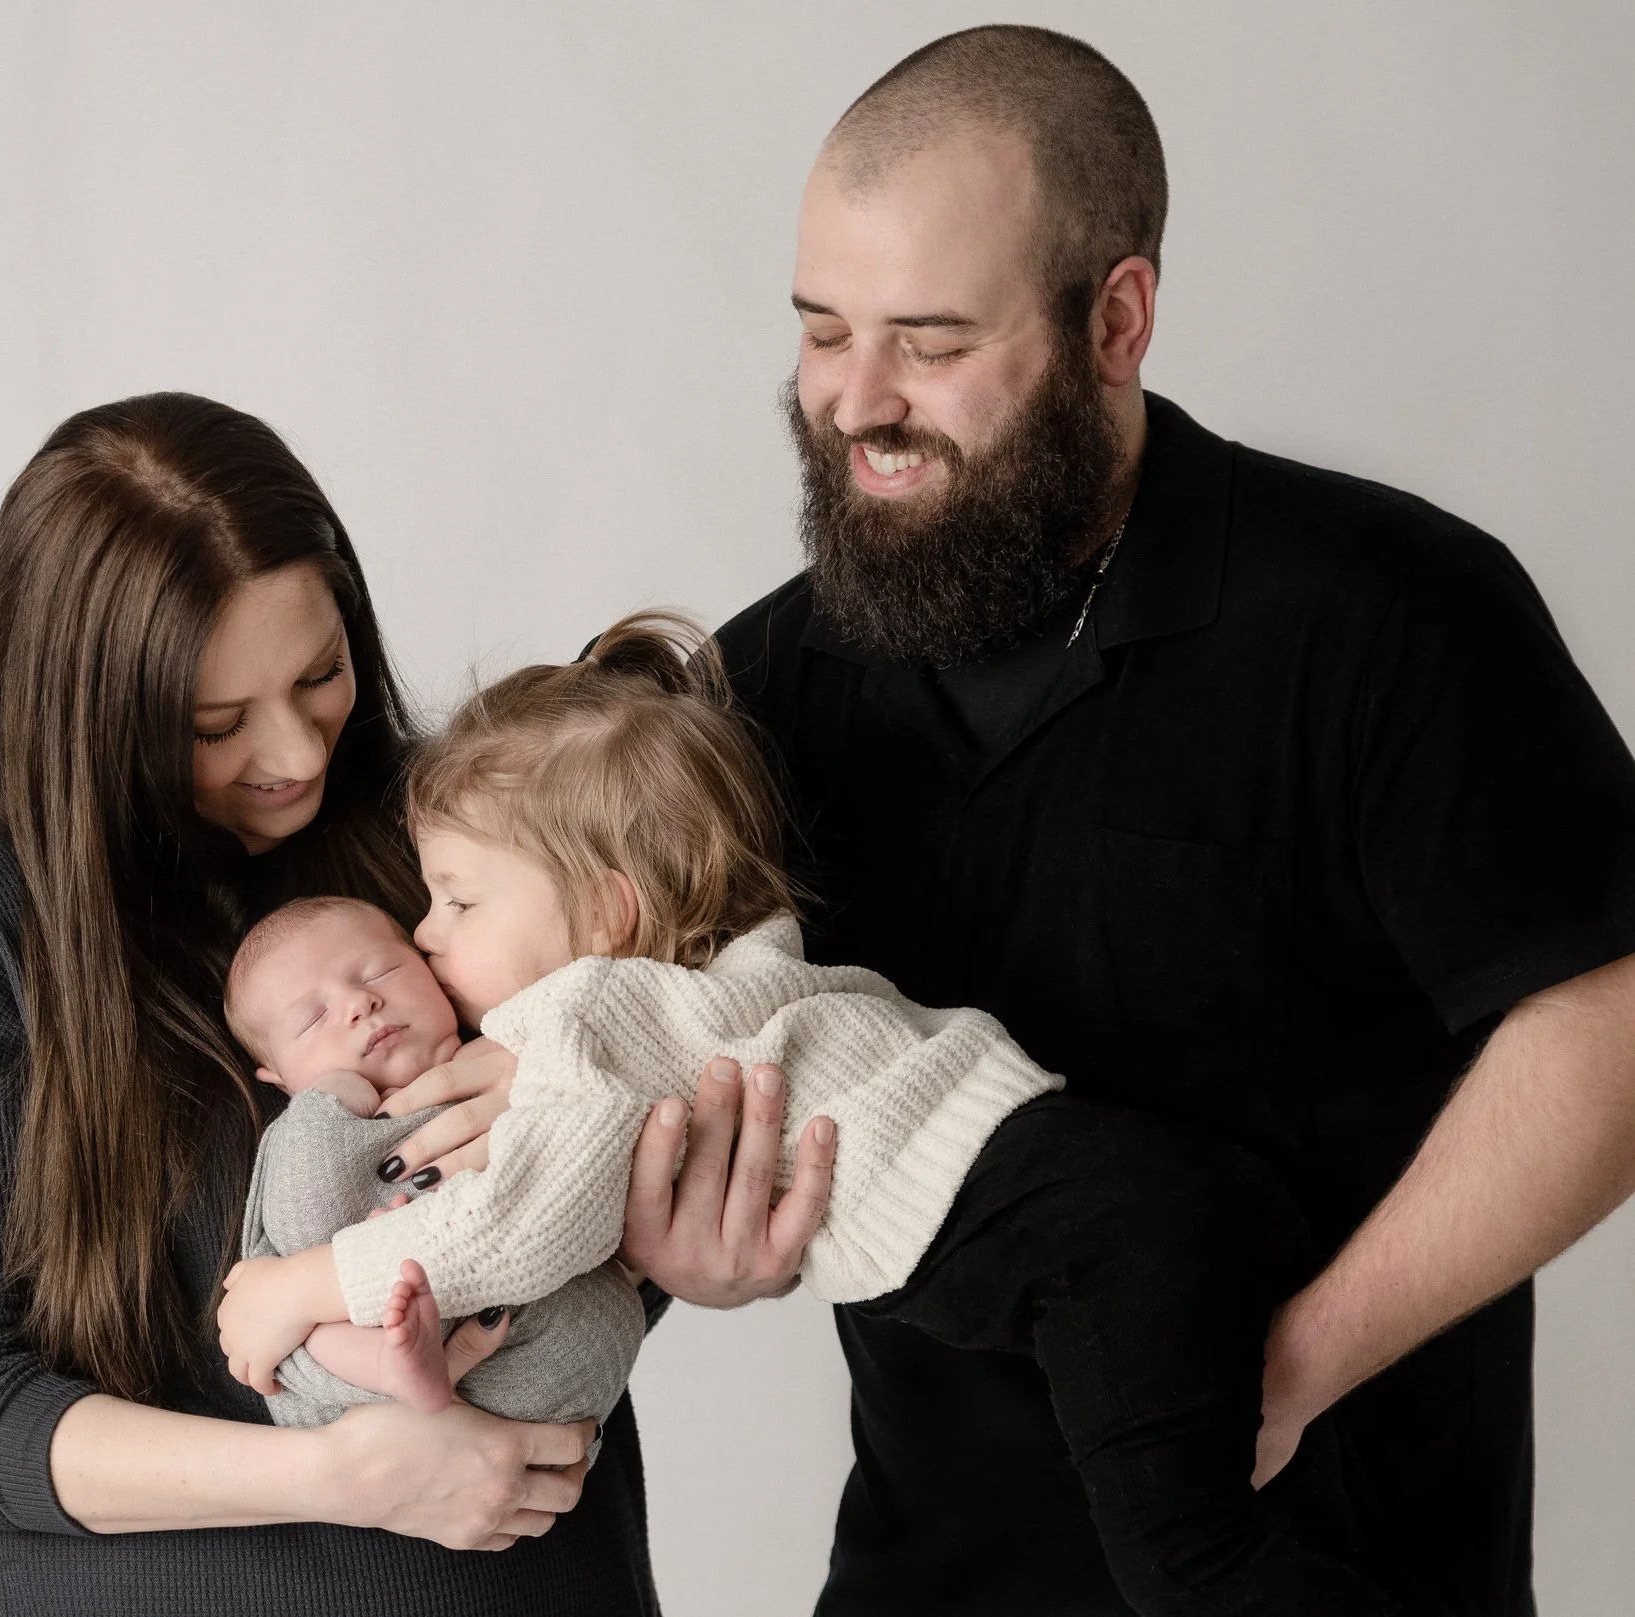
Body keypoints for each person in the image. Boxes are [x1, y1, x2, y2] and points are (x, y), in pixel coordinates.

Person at [673, 24, 1635, 1615]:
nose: (857, 402)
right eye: (821, 330)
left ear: (1116, 318)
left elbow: (1608, 1016)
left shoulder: (1389, 613)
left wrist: (1288, 1367)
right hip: (930, 1579)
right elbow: (648, 1044)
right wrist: (704, 1246)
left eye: (929, 339)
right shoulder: (757, 683)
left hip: (1339, 1561)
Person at [223, 613, 1416, 1614]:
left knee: (1188, 1567)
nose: (424, 937)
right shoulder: (734, 970)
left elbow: (519, 1229)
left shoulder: (582, 1017)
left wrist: (301, 1285)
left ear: (610, 915)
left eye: (459, 902)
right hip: (1143, 1191)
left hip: (1095, 1247)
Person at [0, 392, 660, 1616]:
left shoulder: (446, 848)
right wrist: (334, 1475)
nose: (297, 755)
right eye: (215, 724)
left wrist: (628, 1151)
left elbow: (584, 1243)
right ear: (93, 717)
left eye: (321, 675)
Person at [224, 895, 650, 1435]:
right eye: (311, 1020)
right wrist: (325, 1101)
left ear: (434, 973)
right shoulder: (303, 1138)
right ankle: (389, 1364)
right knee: (299, 1275)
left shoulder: (521, 1045)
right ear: (278, 1078)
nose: (358, 1002)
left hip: (552, 1372)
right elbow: (271, 1274)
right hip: (366, 1397)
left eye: (381, 971)